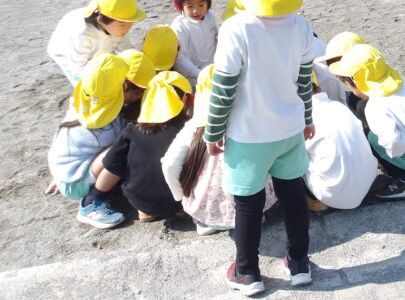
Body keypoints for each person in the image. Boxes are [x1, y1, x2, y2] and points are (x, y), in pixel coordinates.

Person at [205, 0, 316, 296]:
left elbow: (223, 88)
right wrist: (307, 119)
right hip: (289, 129)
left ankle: (247, 272)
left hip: (249, 135)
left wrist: (213, 132)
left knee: (249, 205)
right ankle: (299, 263)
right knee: (293, 195)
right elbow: (304, 81)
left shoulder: (236, 28)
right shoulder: (299, 25)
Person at [161, 65, 277, 236]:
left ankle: (206, 221)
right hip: (251, 205)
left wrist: (181, 197)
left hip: (205, 209)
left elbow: (170, 164)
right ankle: (255, 215)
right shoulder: (252, 121)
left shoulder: (194, 127)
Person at [329, 44, 405, 201]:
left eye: (346, 81)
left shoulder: (376, 105)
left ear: (356, 81)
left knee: (366, 137)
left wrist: (394, 155)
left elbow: (393, 142)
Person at [83, 71, 192, 224]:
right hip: (178, 201)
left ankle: (97, 198)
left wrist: (95, 194)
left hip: (138, 198)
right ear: (185, 99)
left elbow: (111, 165)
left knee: (117, 161)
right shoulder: (189, 129)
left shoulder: (132, 129)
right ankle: (179, 209)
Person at [47, 52, 130, 229]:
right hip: (74, 182)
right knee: (122, 148)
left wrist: (60, 174)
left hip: (66, 172)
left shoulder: (85, 103)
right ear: (123, 86)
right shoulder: (102, 126)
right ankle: (92, 204)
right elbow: (116, 152)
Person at [303, 76, 378, 213]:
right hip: (368, 183)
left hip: (332, 195)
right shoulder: (338, 106)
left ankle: (317, 202)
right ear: (319, 89)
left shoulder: (300, 122)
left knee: (289, 160)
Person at [47, 0, 146, 86]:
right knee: (90, 86)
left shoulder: (120, 28)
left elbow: (123, 55)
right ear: (101, 20)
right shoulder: (81, 32)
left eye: (131, 22)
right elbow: (78, 67)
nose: (128, 28)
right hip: (69, 56)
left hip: (100, 48)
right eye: (122, 24)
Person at [171, 0, 219, 88]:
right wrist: (197, 73)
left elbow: (216, 41)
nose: (196, 10)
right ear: (181, 5)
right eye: (190, 6)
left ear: (208, 3)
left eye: (201, 5)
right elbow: (179, 57)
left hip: (212, 74)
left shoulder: (210, 18)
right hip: (192, 80)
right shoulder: (180, 26)